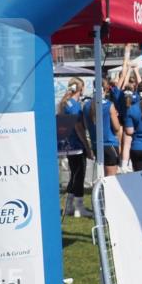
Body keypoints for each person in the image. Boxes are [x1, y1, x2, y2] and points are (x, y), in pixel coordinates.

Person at [58, 79, 93, 217]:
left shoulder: (65, 103)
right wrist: (87, 146)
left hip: (68, 144)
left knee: (74, 175)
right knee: (79, 175)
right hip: (76, 145)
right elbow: (79, 128)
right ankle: (79, 207)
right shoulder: (74, 106)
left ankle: (69, 206)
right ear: (81, 88)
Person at [83, 75, 122, 177]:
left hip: (96, 144)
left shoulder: (86, 105)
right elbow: (117, 127)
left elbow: (86, 125)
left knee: (101, 177)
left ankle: (101, 192)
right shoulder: (109, 105)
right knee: (110, 178)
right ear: (105, 89)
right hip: (110, 144)